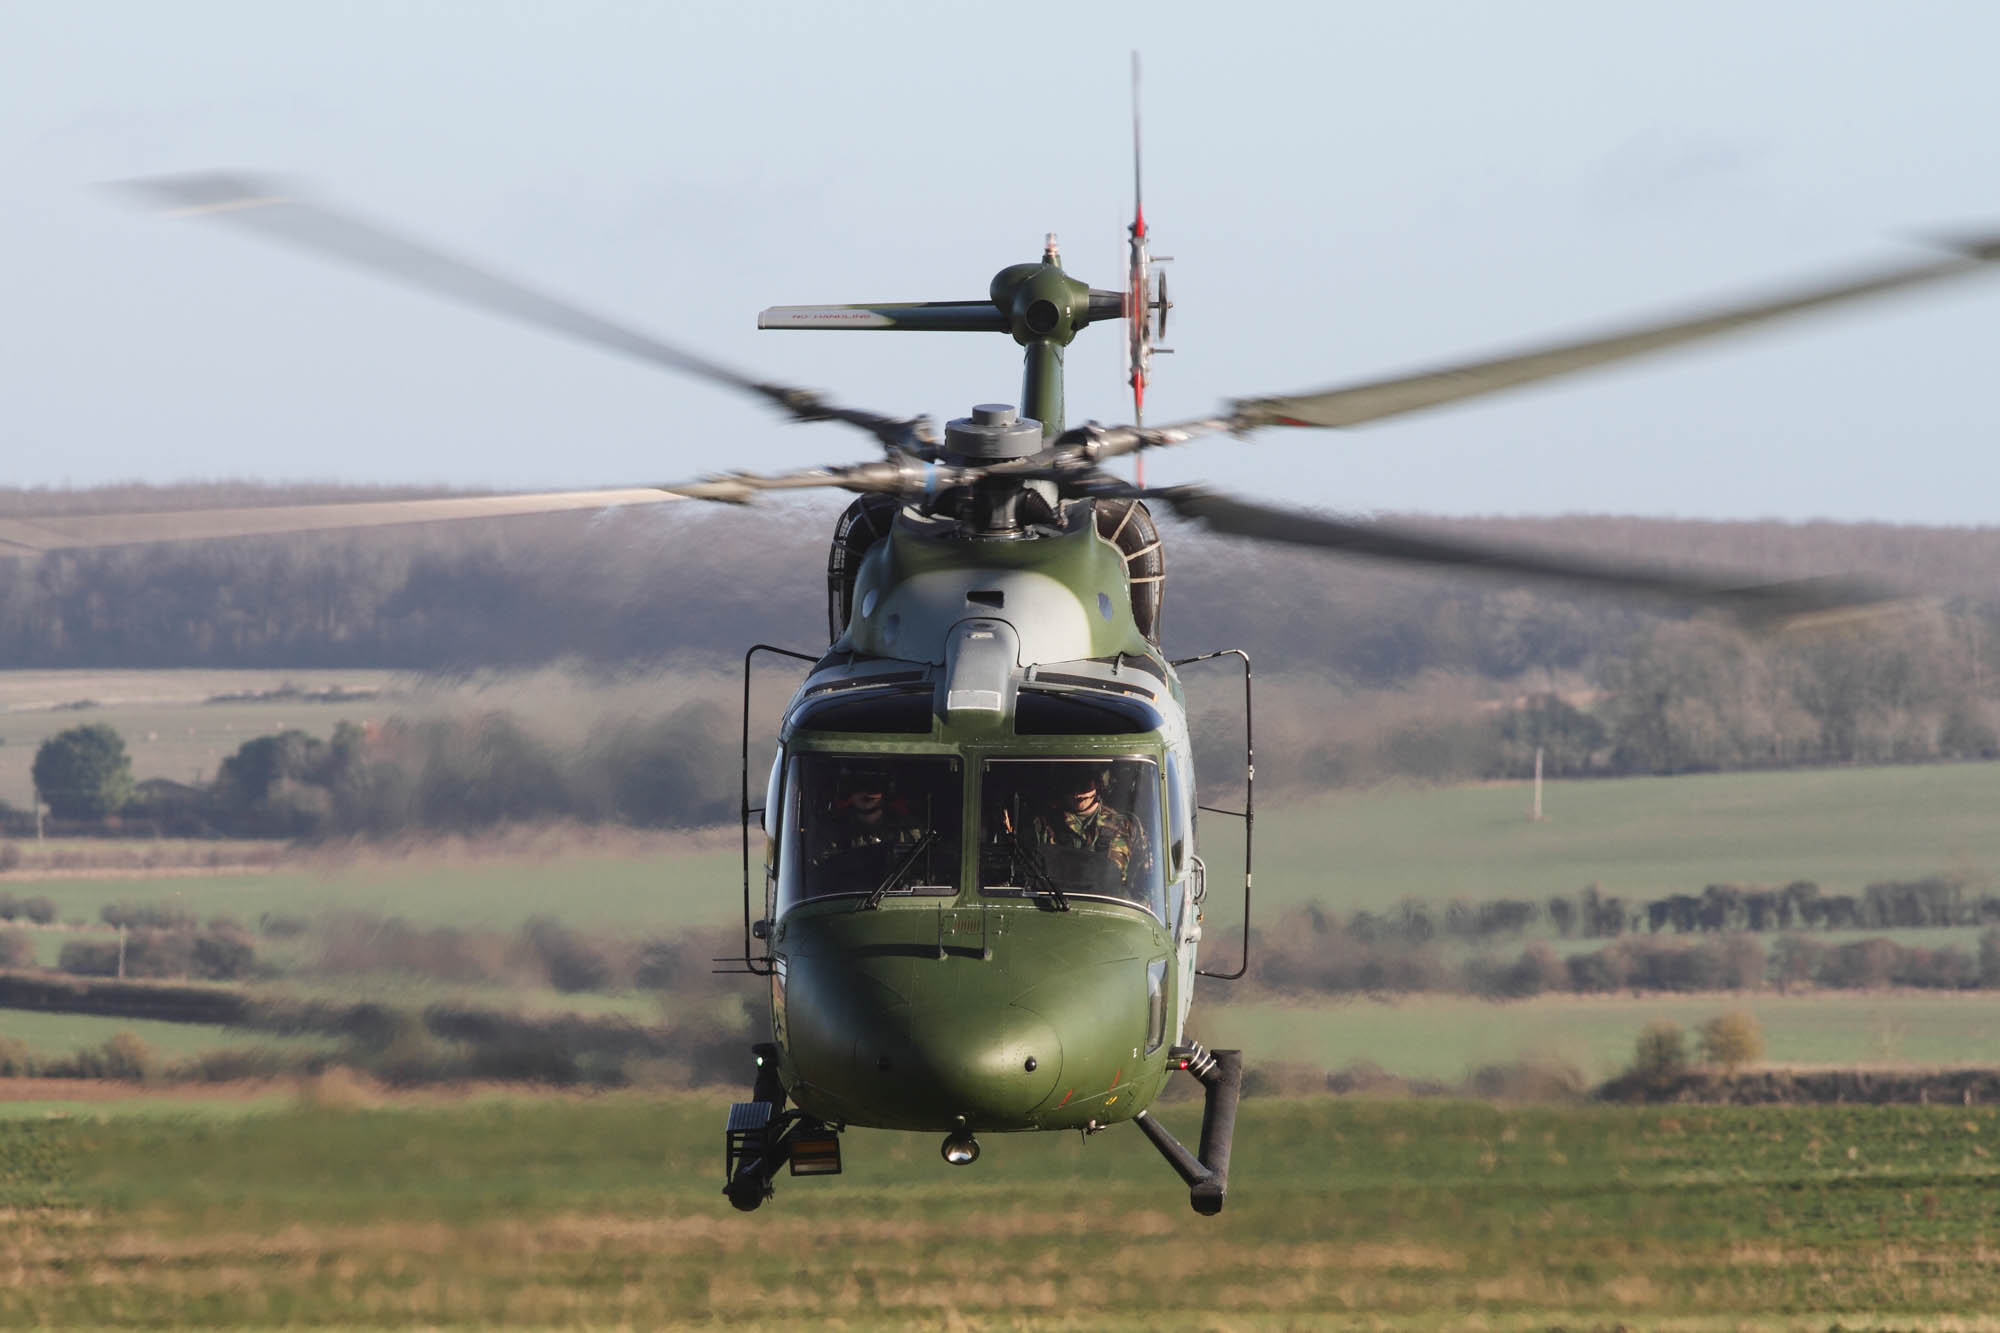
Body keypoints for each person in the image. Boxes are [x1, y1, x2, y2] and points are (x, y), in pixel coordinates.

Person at [1026, 766, 1150, 880]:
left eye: (1085, 784)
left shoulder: (1125, 826)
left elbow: (1145, 879)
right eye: (1070, 783)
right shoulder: (1043, 824)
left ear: (1097, 784)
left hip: (1109, 903)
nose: (1078, 791)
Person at [811, 764, 922, 866]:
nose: (866, 793)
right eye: (858, 785)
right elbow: (820, 873)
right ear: (848, 791)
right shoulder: (830, 831)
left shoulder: (908, 830)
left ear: (887, 791)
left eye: (874, 786)